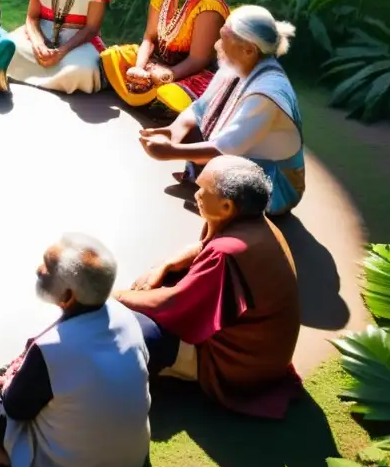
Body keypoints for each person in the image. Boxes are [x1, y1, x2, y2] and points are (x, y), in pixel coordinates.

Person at [0, 234, 150, 467]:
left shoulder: (51, 350)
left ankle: (6, 456)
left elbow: (16, 409)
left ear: (68, 295)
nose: (39, 269)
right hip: (128, 466)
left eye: (47, 266)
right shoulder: (126, 317)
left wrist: (13, 381)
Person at [114, 156, 303, 419]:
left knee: (132, 326)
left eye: (204, 189)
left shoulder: (228, 253)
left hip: (236, 368)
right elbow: (202, 249)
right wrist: (166, 265)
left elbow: (171, 305)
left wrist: (116, 296)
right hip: (266, 359)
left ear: (226, 206)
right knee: (162, 279)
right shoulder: (254, 223)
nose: (197, 193)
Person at [138, 4, 306, 216]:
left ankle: (237, 213)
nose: (217, 45)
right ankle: (205, 182)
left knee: (219, 171)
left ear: (249, 50)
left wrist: (169, 152)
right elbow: (199, 110)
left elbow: (225, 150)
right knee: (189, 132)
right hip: (240, 156)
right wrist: (171, 132)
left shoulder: (267, 94)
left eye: (224, 39)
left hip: (275, 182)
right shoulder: (236, 65)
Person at [101, 0, 228, 113]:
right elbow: (149, 38)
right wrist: (139, 67)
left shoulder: (208, 6)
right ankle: (149, 94)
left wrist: (168, 75)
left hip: (191, 74)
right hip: (157, 63)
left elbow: (198, 60)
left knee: (172, 96)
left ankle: (160, 101)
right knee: (111, 58)